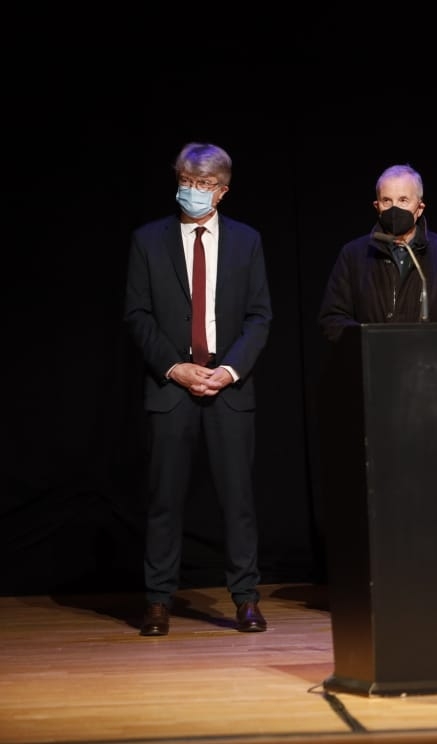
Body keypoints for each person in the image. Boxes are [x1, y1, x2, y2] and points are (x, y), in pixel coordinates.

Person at [124, 142, 273, 636]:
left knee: (238, 500)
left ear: (222, 191)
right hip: (171, 388)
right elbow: (137, 314)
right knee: (164, 498)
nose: (192, 191)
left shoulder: (247, 241)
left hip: (228, 387)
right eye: (186, 180)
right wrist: (173, 366)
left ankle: (246, 598)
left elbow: (259, 316)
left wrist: (228, 370)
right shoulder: (148, 240)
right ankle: (158, 600)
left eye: (204, 184)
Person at [318, 163, 437, 339]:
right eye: (387, 201)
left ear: (419, 208)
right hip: (372, 362)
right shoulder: (353, 255)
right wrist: (371, 340)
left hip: (428, 363)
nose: (394, 208)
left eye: (403, 200)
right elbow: (332, 319)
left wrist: (424, 342)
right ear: (377, 206)